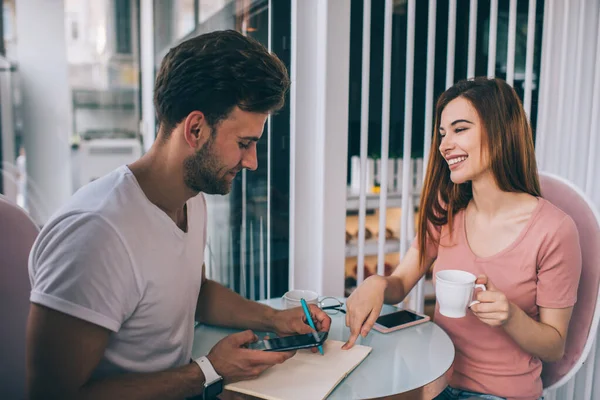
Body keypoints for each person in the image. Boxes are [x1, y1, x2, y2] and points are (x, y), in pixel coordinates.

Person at [26, 30, 331, 400]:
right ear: (196, 129)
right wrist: (208, 370)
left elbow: (193, 292)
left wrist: (275, 319)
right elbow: (50, 394)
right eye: (243, 144)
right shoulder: (96, 234)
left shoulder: (191, 199)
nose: (251, 162)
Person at [343, 77, 581, 400]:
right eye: (442, 134)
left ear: (499, 131)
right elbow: (401, 282)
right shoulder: (446, 208)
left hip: (503, 394)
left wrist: (510, 317)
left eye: (459, 129)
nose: (443, 145)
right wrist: (378, 284)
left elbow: (555, 345)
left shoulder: (554, 230)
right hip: (436, 381)